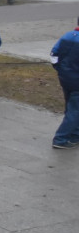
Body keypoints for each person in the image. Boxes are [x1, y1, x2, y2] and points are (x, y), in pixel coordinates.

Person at [50, 16, 79, 149]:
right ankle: (61, 139)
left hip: (65, 78)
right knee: (75, 111)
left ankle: (74, 135)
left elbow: (54, 55)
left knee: (71, 107)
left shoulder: (68, 36)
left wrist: (60, 69)